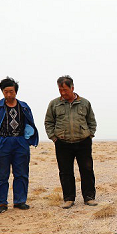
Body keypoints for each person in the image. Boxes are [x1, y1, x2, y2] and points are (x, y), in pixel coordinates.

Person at [0, 77, 39, 214]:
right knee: (1, 174)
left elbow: (30, 123)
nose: (8, 94)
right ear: (2, 92)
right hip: (2, 142)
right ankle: (1, 203)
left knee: (21, 173)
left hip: (20, 142)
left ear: (16, 92)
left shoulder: (24, 106)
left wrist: (27, 140)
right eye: (6, 91)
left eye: (11, 91)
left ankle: (20, 201)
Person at [44, 75, 97, 209]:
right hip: (62, 143)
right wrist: (54, 138)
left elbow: (91, 121)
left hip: (83, 142)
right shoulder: (54, 104)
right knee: (65, 171)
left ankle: (89, 197)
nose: (62, 92)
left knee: (87, 170)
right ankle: (68, 199)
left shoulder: (84, 103)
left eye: (65, 89)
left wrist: (89, 135)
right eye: (60, 89)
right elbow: (49, 122)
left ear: (72, 88)